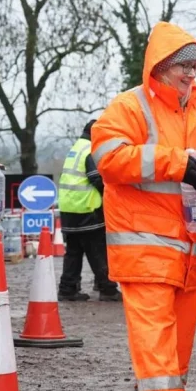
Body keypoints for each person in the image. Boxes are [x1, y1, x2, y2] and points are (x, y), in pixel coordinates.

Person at [90, 21, 196, 391]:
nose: (190, 74)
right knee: (156, 331)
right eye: (183, 65)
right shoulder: (130, 106)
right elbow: (109, 159)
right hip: (145, 244)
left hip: (188, 248)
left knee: (179, 334)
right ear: (161, 65)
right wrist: (177, 163)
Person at [57, 120, 122, 302]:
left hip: (69, 208)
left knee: (74, 251)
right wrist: (113, 197)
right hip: (87, 208)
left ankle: (68, 289)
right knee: (97, 250)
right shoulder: (91, 151)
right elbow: (97, 179)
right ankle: (107, 289)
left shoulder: (76, 148)